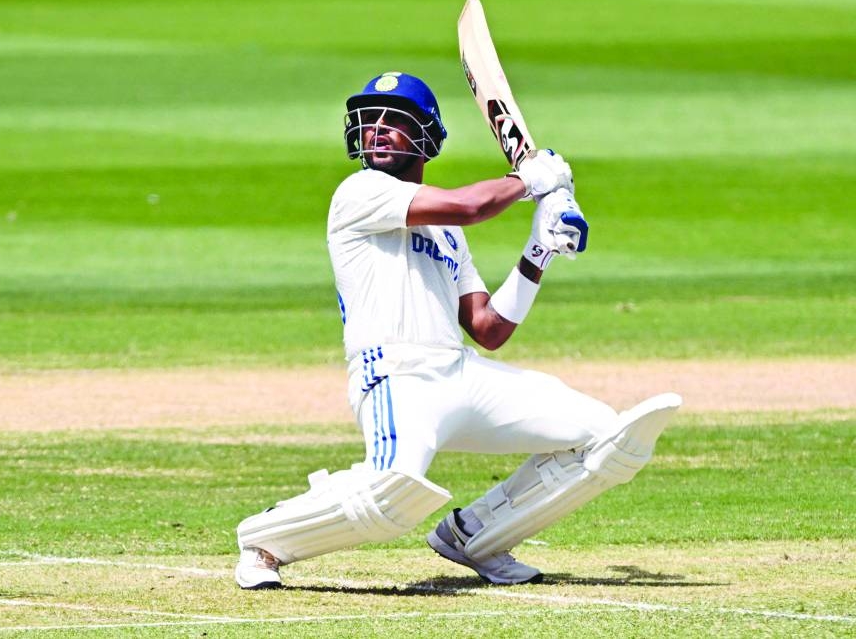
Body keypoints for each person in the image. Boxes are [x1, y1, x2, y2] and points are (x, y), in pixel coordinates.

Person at [234, 72, 681, 589]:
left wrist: (539, 247)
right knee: (391, 494)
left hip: (459, 373)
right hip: (395, 377)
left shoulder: (444, 232)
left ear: (426, 134)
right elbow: (473, 206)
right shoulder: (359, 191)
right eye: (369, 120)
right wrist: (533, 181)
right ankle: (264, 543)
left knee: (607, 437)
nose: (377, 131)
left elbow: (489, 328)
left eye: (393, 121)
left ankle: (474, 536)